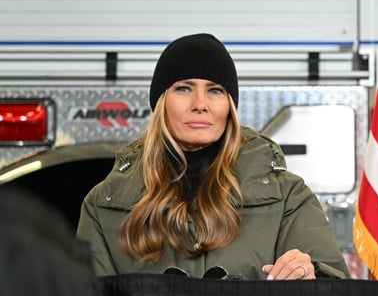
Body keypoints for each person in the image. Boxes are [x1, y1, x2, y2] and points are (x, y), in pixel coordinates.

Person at [76, 33, 349, 280]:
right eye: (184, 88)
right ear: (161, 102)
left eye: (215, 90)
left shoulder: (287, 197)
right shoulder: (103, 206)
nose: (200, 105)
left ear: (229, 106)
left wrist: (312, 275)